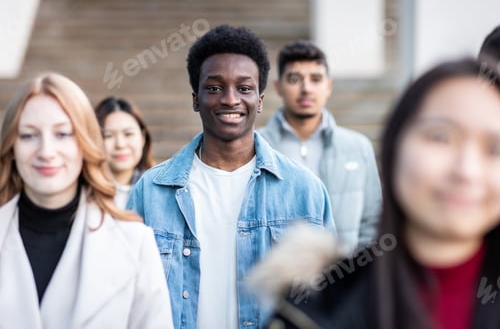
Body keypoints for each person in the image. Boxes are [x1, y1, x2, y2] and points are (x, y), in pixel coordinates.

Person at [252, 58, 500, 329]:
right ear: (394, 148)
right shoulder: (313, 309)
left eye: (494, 149)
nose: (466, 171)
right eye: (440, 137)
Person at [127, 25, 335, 329]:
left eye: (244, 88)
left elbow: (328, 303)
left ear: (260, 100)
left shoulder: (305, 191)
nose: (229, 99)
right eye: (214, 88)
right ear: (196, 98)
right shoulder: (151, 190)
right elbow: (127, 293)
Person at [0, 72, 174, 329]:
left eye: (62, 134)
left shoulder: (136, 243)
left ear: (85, 142)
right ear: (11, 146)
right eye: (28, 135)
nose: (46, 152)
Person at [259, 40, 382, 252]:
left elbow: (373, 221)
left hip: (343, 278)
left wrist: (354, 276)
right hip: (276, 279)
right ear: (278, 87)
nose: (306, 88)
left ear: (328, 86)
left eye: (315, 79)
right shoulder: (257, 147)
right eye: (294, 79)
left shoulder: (358, 147)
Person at [94, 97, 155, 209]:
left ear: (142, 138)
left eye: (128, 134)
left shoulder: (159, 190)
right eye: (108, 135)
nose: (120, 144)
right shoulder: (83, 193)